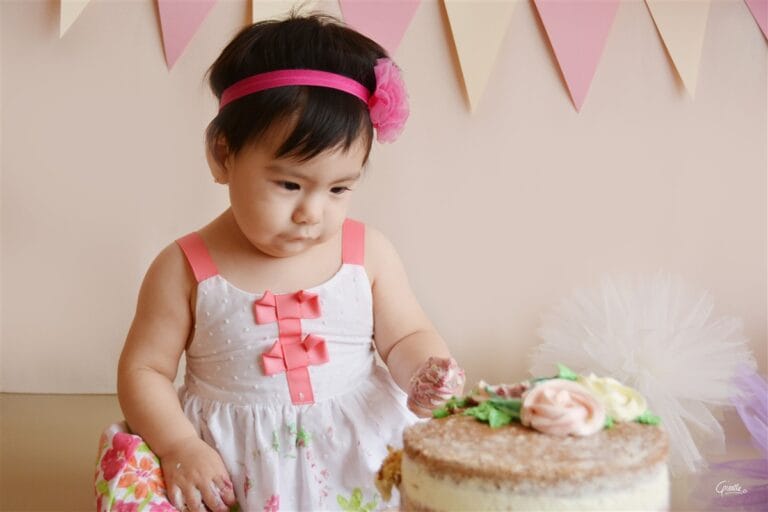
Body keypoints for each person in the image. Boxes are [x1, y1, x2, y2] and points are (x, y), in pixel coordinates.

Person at [93, 12, 465, 512]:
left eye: (339, 189)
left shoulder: (366, 252)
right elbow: (145, 369)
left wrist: (422, 369)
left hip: (359, 451)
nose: (312, 212)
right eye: (289, 184)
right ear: (223, 156)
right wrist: (180, 446)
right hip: (233, 463)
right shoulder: (185, 267)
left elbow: (404, 335)